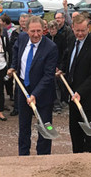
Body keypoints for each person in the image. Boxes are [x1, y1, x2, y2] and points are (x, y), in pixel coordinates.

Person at [8, 16, 58, 156]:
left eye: (39, 31)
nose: (36, 35)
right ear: (26, 30)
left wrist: (35, 94)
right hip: (23, 89)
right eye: (32, 31)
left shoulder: (51, 48)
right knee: (24, 127)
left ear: (44, 30)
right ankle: (23, 156)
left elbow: (48, 75)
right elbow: (16, 50)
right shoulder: (22, 38)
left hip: (43, 94)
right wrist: (13, 67)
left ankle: (43, 158)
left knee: (44, 127)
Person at [57, 14, 91, 153]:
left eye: (83, 30)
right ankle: (76, 159)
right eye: (77, 30)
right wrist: (62, 69)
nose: (80, 33)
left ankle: (89, 160)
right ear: (72, 28)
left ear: (88, 28)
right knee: (75, 131)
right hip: (73, 95)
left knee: (89, 134)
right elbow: (69, 60)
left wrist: (80, 92)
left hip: (88, 97)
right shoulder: (72, 39)